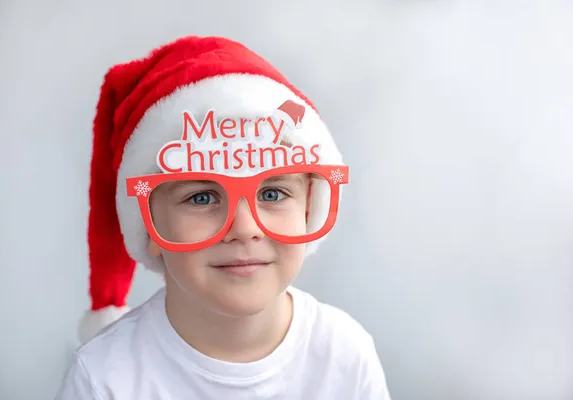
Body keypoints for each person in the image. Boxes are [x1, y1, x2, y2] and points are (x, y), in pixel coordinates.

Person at [54, 35, 391, 400]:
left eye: (272, 193)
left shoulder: (345, 357)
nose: (244, 229)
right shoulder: (102, 378)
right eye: (202, 197)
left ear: (310, 208)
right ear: (147, 222)